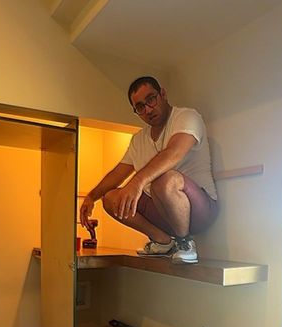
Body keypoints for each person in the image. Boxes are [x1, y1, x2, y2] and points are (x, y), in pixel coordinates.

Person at [80, 77, 218, 263]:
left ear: (163, 94)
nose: (148, 110)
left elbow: (174, 152)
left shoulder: (187, 117)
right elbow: (117, 174)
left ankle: (184, 243)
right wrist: (91, 197)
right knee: (111, 198)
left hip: (200, 210)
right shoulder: (138, 140)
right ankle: (163, 242)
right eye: (140, 107)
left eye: (151, 99)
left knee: (164, 180)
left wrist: (137, 182)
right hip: (166, 212)